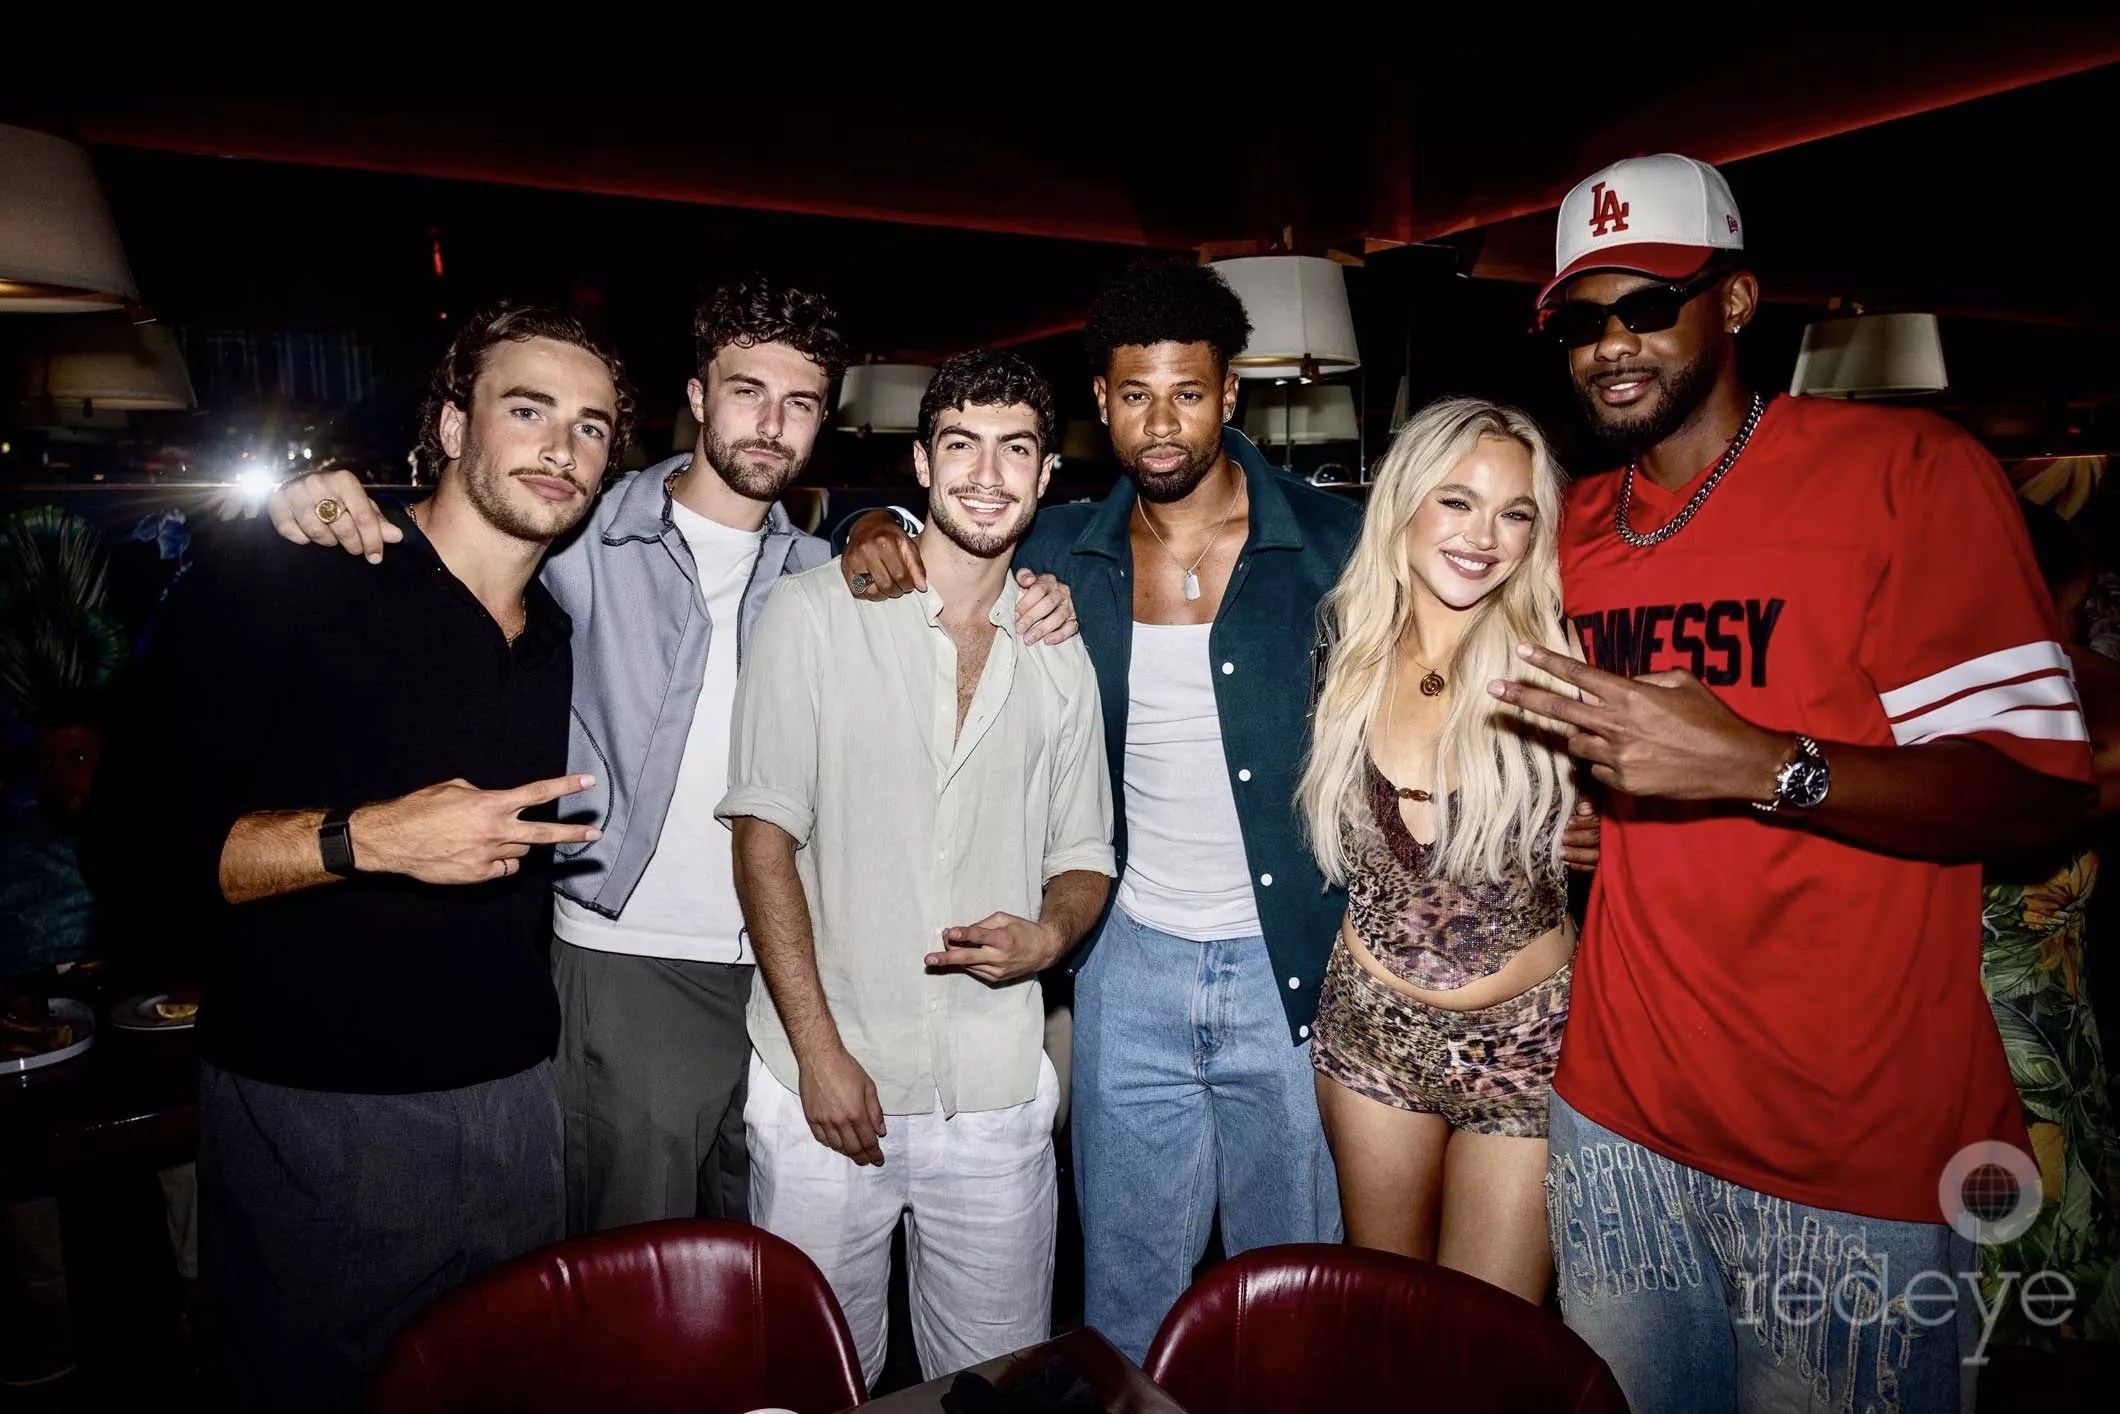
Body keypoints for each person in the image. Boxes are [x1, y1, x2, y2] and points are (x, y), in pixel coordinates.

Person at [261, 280, 1082, 1235]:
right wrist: (327, 501)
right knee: (633, 1279)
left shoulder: (821, 570)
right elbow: (465, 523)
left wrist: (888, 529)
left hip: (797, 976)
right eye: (746, 391)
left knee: (760, 1278)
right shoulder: (582, 533)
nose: (770, 425)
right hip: (632, 963)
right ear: (697, 397)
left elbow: (945, 571)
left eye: (800, 403)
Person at [1497, 154, 2095, 1413]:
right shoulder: (1571, 526)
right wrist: (1573, 818)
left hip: (1842, 1146)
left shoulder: (1903, 474)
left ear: (1733, 299)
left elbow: (2037, 795)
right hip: (1612, 1116)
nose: (1610, 344)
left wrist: (1764, 764)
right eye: (1579, 320)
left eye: (1646, 304)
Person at [95, 304, 630, 1409]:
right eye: (527, 410)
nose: (560, 447)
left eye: (590, 427)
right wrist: (369, 838)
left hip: (518, 1100)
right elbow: (133, 851)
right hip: (322, 1112)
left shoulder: (559, 635)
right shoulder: (294, 574)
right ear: (452, 424)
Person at [838, 263, 1373, 1361]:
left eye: (1187, 393)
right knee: (1125, 1295)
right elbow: (939, 527)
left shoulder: (1341, 545)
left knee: (1290, 1300)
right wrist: (866, 522)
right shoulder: (1058, 548)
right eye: (1135, 395)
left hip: (1293, 964)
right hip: (1124, 963)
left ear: (1230, 395)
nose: (1160, 423)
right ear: (1100, 401)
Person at [718, 349, 1114, 1386]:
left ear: (1045, 475)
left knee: (994, 1388)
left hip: (993, 1090)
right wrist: (819, 1055)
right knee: (810, 1383)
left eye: (1014, 450)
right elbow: (762, 842)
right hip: (824, 1084)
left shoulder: (1058, 648)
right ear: (922, 465)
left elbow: (1084, 857)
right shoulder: (813, 614)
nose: (986, 474)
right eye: (961, 446)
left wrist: (1050, 935)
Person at [1297, 396, 1579, 1301]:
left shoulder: (1561, 663)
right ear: (1405, 503)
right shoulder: (1342, 650)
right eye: (1457, 501)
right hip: (1371, 1039)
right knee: (1387, 1320)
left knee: (1488, 1344)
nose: (1483, 536)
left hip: (1525, 1048)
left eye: (1514, 513)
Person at [1976, 498, 2120, 1349]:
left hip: (2055, 1052)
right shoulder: (1919, 727)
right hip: (1977, 1059)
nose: (2076, 630)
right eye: (2071, 607)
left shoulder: (2076, 698)